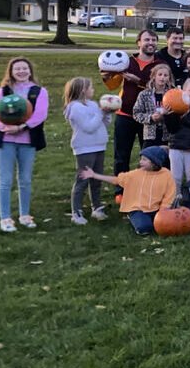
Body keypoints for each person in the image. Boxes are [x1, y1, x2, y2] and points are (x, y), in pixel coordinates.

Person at [0, 60, 48, 221]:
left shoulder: (39, 91)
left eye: (24, 68)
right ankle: (5, 218)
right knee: (5, 180)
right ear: (11, 71)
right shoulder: (4, 90)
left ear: (30, 71)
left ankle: (25, 215)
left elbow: (40, 115)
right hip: (5, 141)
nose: (21, 71)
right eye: (17, 68)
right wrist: (4, 128)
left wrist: (21, 127)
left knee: (25, 180)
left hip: (27, 141)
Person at [103, 30, 158, 188]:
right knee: (121, 155)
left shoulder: (159, 64)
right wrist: (106, 75)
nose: (150, 43)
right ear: (139, 42)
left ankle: (147, 187)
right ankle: (120, 189)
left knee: (149, 155)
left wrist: (138, 81)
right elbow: (112, 85)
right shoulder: (126, 62)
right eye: (147, 39)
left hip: (148, 117)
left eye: (154, 40)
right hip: (125, 114)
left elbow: (161, 86)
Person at [80, 146, 176, 235]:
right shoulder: (135, 174)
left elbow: (169, 193)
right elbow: (116, 180)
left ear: (154, 163)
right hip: (138, 209)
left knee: (163, 226)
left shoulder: (166, 175)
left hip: (157, 208)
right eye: (141, 159)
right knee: (145, 228)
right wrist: (94, 175)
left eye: (144, 160)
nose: (141, 162)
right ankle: (134, 217)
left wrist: (164, 208)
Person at [63, 76, 112, 225]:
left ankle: (96, 207)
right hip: (85, 148)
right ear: (83, 90)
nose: (93, 90)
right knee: (83, 179)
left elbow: (103, 123)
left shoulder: (92, 104)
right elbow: (89, 127)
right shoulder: (74, 107)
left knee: (96, 178)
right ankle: (76, 212)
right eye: (91, 87)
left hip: (99, 145)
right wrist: (100, 113)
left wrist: (107, 113)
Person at [131, 62, 172, 147]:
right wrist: (150, 118)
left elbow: (177, 113)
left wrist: (166, 115)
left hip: (167, 136)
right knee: (148, 158)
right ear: (154, 76)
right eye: (160, 74)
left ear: (169, 78)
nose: (162, 78)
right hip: (150, 136)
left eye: (165, 75)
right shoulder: (144, 94)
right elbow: (136, 113)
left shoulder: (172, 95)